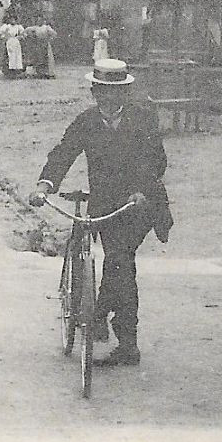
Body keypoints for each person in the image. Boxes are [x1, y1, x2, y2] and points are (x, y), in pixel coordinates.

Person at [29, 59, 173, 368]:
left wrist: (140, 189)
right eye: (103, 91)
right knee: (121, 266)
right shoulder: (86, 121)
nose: (109, 97)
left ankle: (102, 319)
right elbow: (64, 152)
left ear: (125, 92)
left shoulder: (142, 120)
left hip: (140, 205)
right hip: (106, 206)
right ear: (94, 92)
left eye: (116, 91)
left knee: (120, 260)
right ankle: (125, 341)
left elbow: (156, 161)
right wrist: (44, 185)